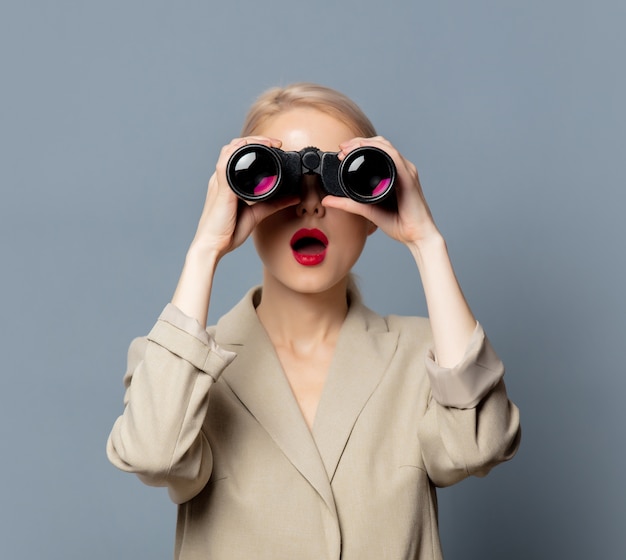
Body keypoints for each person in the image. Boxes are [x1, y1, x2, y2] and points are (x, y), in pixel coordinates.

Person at [107, 82, 521, 559]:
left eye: (334, 181)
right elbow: (153, 454)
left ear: (372, 207)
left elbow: (479, 446)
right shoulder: (185, 368)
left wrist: (426, 242)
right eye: (276, 181)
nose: (310, 205)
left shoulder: (426, 357)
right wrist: (205, 249)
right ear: (243, 201)